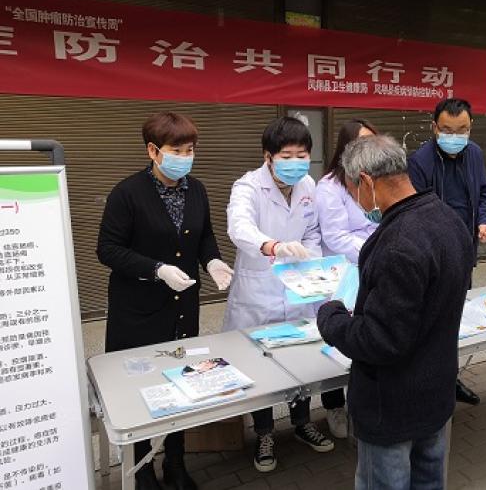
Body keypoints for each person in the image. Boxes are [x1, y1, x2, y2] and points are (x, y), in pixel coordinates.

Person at [317, 135, 474, 490]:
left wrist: (332, 317)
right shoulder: (447, 218)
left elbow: (380, 340)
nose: (356, 200)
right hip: (435, 393)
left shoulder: (398, 243)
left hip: (392, 404)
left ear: (366, 181)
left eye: (353, 191)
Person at [97, 112, 233, 490]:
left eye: (190, 150)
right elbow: (107, 249)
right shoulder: (127, 193)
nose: (185, 157)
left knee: (181, 381)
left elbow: (204, 236)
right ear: (153, 151)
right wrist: (156, 269)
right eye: (177, 150)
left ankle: (176, 462)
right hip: (138, 310)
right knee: (140, 388)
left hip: (182, 307)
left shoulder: (196, 190)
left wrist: (213, 261)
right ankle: (142, 468)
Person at [223, 116, 334, 472]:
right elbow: (239, 227)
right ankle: (264, 433)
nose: (295, 163)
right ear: (268, 156)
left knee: (300, 357)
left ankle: (302, 423)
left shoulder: (307, 184)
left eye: (302, 155)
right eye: (287, 156)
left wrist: (308, 256)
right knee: (263, 362)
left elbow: (313, 230)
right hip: (259, 291)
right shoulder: (248, 186)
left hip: (297, 286)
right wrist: (273, 246)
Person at [408, 97, 486, 406]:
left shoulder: (475, 154)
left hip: (464, 253)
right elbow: (415, 210)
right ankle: (423, 384)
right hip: (433, 256)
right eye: (447, 130)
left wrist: (485, 220)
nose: (454, 137)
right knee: (429, 322)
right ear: (435, 128)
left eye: (462, 130)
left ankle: (449, 379)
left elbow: (485, 192)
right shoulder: (420, 161)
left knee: (455, 320)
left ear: (471, 127)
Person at [315, 118, 378, 439]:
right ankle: (333, 406)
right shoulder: (330, 186)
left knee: (367, 335)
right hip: (343, 273)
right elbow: (336, 237)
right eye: (360, 142)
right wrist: (378, 248)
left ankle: (361, 400)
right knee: (337, 336)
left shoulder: (375, 178)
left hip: (373, 268)